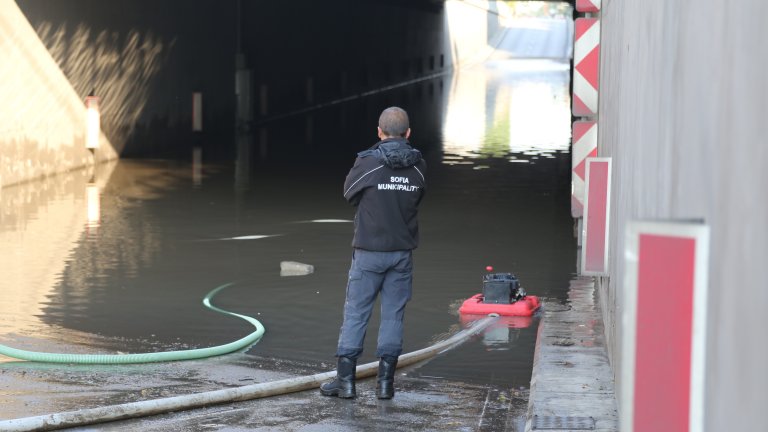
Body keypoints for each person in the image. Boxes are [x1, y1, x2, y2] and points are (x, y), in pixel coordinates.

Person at [320, 106, 427, 400]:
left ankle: (346, 383)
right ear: (408, 133)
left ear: (379, 132)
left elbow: (349, 194)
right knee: (393, 316)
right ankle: (385, 385)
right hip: (401, 254)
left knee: (356, 313)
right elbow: (417, 198)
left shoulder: (367, 163)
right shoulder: (419, 166)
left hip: (368, 252)